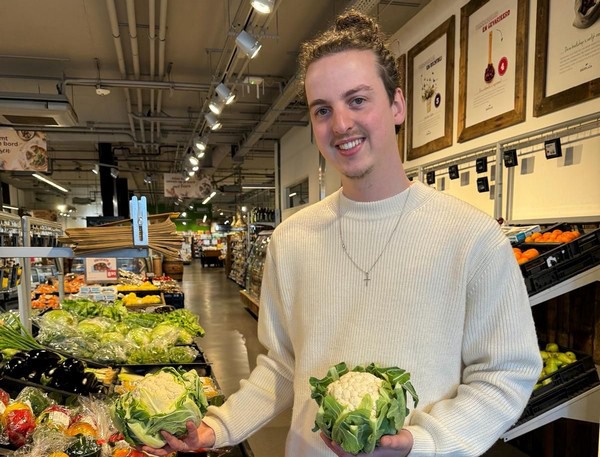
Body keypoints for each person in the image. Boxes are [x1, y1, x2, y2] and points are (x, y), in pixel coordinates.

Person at [143, 10, 541, 457]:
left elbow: (505, 374)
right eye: (323, 110)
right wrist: (216, 428)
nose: (341, 124)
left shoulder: (471, 237)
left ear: (397, 105)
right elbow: (283, 366)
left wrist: (421, 440)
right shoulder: (292, 240)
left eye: (357, 100)